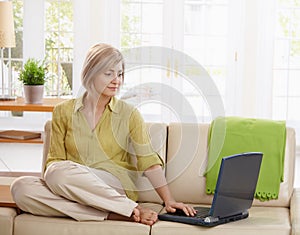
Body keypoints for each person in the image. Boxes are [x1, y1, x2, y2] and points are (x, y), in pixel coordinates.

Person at [11, 43, 196, 226]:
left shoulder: (129, 114)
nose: (117, 80)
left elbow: (148, 161)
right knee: (21, 188)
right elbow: (54, 162)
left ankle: (127, 208)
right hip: (72, 185)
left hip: (112, 187)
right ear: (90, 73)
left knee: (58, 174)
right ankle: (114, 214)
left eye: (120, 74)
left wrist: (169, 199)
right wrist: (69, 184)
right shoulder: (63, 112)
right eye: (109, 73)